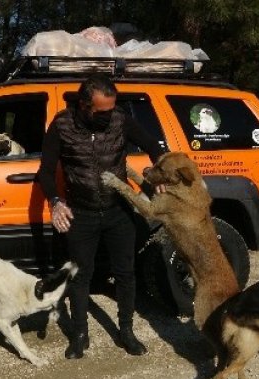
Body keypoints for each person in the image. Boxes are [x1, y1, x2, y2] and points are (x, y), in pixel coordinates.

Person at [37, 74, 167, 359]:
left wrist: (161, 171)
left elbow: (154, 145)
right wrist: (55, 202)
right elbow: (45, 172)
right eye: (103, 110)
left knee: (125, 273)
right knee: (80, 276)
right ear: (85, 105)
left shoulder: (120, 119)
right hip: (80, 213)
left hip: (118, 210)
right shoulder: (61, 125)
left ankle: (126, 331)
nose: (110, 115)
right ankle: (80, 335)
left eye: (112, 108)